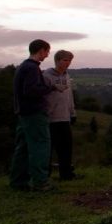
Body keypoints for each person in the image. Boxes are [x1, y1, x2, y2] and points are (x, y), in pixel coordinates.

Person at [9, 39, 56, 191]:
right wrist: (50, 87)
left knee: (22, 148)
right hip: (34, 113)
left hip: (23, 113)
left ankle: (18, 181)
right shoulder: (32, 68)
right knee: (40, 146)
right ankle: (40, 182)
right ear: (41, 50)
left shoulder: (23, 66)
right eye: (47, 51)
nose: (47, 55)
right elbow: (31, 91)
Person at [43, 50, 79, 180]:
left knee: (66, 148)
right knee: (48, 149)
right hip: (50, 118)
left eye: (69, 60)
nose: (68, 63)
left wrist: (72, 113)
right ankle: (44, 176)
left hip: (64, 117)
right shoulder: (46, 76)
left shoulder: (67, 76)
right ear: (57, 61)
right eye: (65, 60)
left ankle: (66, 174)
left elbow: (69, 96)